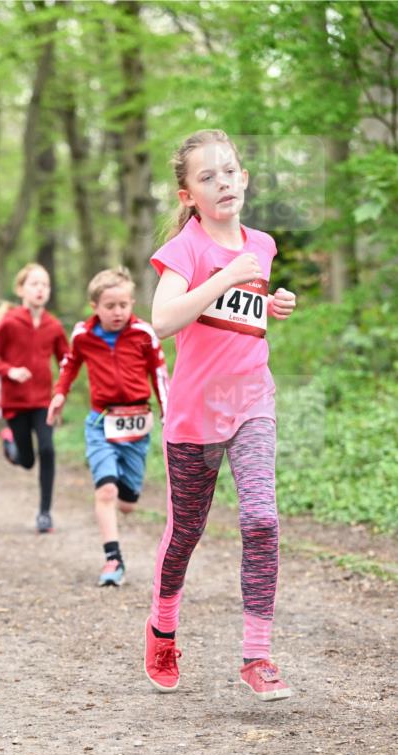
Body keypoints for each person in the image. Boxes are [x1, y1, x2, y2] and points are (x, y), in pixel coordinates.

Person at [146, 128, 297, 700]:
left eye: (230, 171)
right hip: (195, 410)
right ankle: (162, 628)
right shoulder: (186, 249)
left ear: (245, 178)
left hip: (252, 399)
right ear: (188, 195)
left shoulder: (261, 243)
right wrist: (224, 280)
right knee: (186, 531)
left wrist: (271, 303)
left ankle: (257, 656)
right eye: (208, 177)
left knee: (261, 519)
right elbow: (161, 322)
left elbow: (246, 314)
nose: (223, 182)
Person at [48, 267, 169, 586]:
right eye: (110, 306)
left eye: (124, 305)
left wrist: (167, 411)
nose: (118, 312)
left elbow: (159, 372)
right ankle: (113, 559)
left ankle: (119, 499)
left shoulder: (144, 334)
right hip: (101, 422)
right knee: (106, 490)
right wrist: (60, 394)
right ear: (95, 307)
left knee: (127, 503)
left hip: (136, 423)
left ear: (131, 304)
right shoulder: (83, 336)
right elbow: (70, 363)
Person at [0, 263, 68, 533]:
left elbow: (66, 360)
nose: (40, 289)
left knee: (48, 450)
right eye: (34, 284)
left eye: (45, 284)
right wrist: (10, 371)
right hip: (15, 401)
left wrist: (61, 392)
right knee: (28, 460)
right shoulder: (9, 322)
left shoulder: (54, 325)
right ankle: (12, 446)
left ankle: (44, 512)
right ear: (21, 289)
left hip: (43, 400)